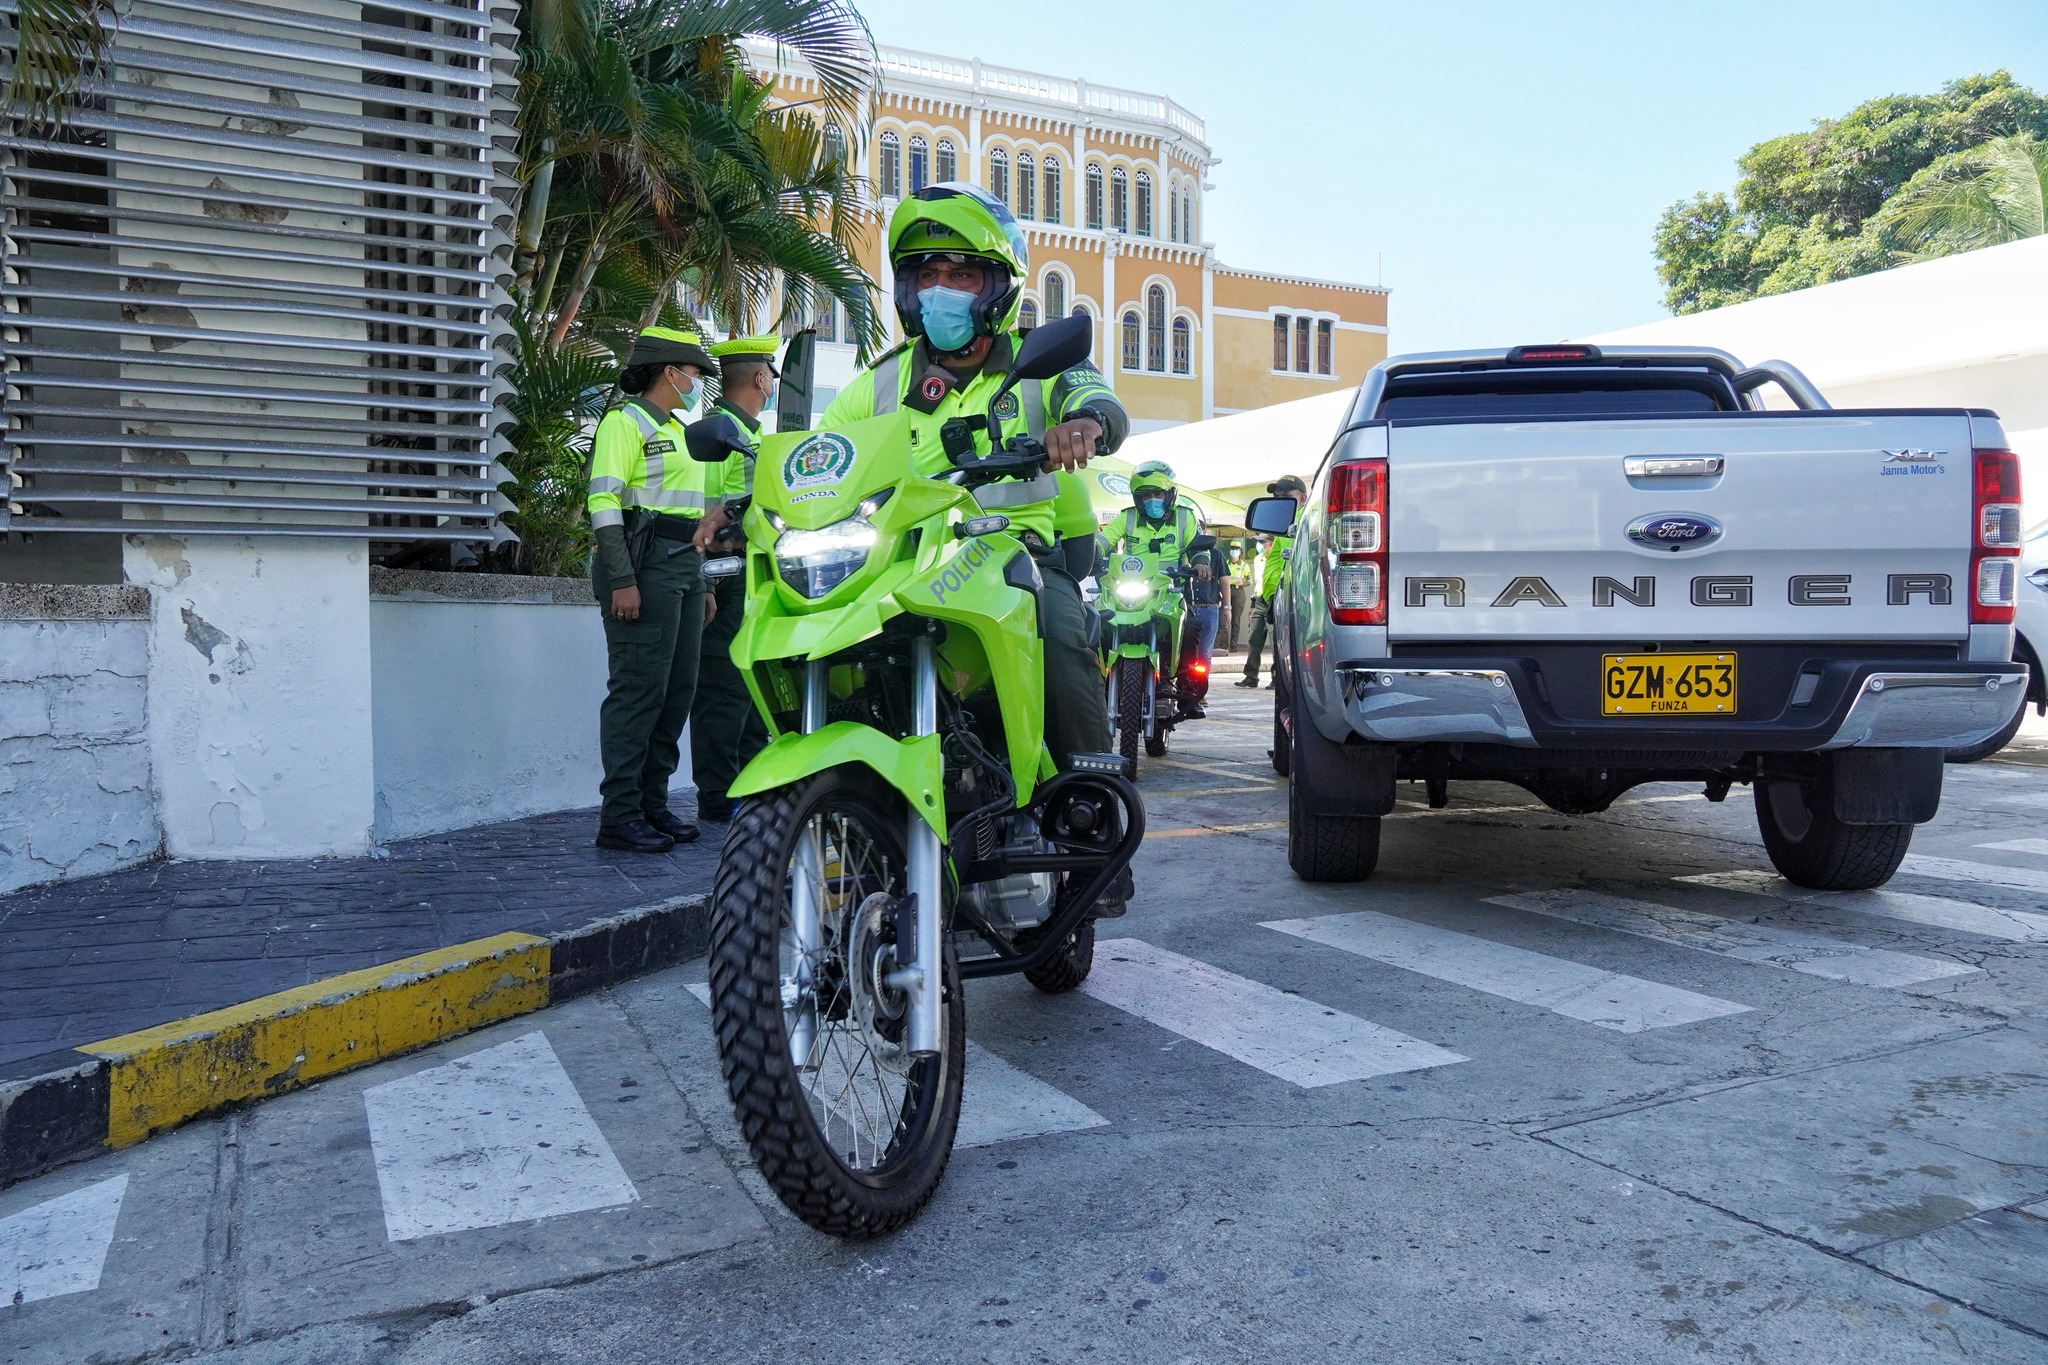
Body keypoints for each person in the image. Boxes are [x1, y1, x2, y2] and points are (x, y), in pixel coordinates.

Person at [818, 182, 1127, 771]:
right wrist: (739, 501)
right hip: (897, 566)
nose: (941, 292)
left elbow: (1100, 404)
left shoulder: (1042, 361)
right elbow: (822, 458)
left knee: (1060, 637)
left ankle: (1093, 802)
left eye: (961, 277)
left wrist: (1083, 425)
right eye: (927, 276)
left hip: (1016, 557)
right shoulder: (877, 385)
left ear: (997, 289)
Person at [587, 326, 722, 852]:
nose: (697, 384)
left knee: (676, 692)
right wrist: (622, 579)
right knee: (639, 690)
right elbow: (604, 504)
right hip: (643, 566)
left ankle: (652, 805)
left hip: (684, 565)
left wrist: (704, 580)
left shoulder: (680, 430)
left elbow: (696, 517)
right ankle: (619, 815)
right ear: (670, 372)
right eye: (693, 374)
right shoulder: (626, 422)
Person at [686, 335, 778, 824]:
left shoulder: (752, 435)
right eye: (770, 376)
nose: (771, 385)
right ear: (761, 378)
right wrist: (707, 583)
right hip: (727, 574)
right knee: (722, 687)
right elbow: (705, 511)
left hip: (757, 574)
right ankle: (719, 795)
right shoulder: (719, 433)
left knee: (749, 685)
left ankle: (746, 782)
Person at [1109, 461, 1215, 719]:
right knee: (1102, 623)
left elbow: (1197, 545)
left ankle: (1189, 692)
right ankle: (1102, 682)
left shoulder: (1184, 516)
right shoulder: (1127, 517)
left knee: (1191, 628)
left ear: (1169, 495)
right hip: (1134, 589)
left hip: (1173, 591)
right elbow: (1104, 540)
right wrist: (1090, 551)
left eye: (1157, 494)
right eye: (1146, 495)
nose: (1152, 500)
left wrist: (1200, 561)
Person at [1237, 474, 1307, 690]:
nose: (1280, 502)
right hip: (1265, 596)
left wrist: (1281, 593)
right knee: (1255, 639)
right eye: (1277, 497)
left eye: (1286, 496)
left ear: (1302, 499)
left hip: (1284, 595)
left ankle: (1279, 678)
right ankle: (1252, 676)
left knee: (1280, 641)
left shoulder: (1303, 525)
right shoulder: (1281, 524)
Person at [1223, 543, 1249, 652]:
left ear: (1240, 551)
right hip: (1225, 590)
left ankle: (1233, 646)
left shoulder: (1244, 565)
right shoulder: (1225, 563)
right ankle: (1221, 644)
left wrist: (1243, 583)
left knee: (1236, 620)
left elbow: (1250, 580)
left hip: (1238, 591)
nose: (1234, 551)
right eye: (1232, 549)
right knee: (1222, 618)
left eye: (1236, 549)